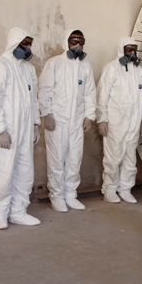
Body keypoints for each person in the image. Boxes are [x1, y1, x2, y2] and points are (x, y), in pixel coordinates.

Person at [0, 27, 42, 229]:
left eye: (29, 44)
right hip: (8, 130)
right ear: (13, 43)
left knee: (25, 170)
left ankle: (18, 211)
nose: (27, 47)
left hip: (25, 130)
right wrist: (0, 130)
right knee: (3, 171)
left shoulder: (28, 69)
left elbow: (33, 100)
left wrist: (35, 124)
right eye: (23, 43)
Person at [39, 29, 97, 212]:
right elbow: (45, 90)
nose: (77, 44)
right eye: (74, 40)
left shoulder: (85, 66)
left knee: (74, 159)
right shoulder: (54, 63)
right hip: (58, 121)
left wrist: (89, 116)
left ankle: (71, 194)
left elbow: (90, 93)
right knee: (57, 160)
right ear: (67, 42)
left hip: (77, 122)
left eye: (81, 40)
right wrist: (46, 114)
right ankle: (56, 195)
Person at [97, 37, 142, 204]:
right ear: (122, 49)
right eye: (129, 49)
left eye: (134, 48)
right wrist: (102, 119)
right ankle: (110, 189)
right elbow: (102, 95)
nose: (132, 52)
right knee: (113, 157)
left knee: (129, 156)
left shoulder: (139, 72)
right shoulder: (111, 69)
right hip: (115, 122)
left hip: (134, 122)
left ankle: (125, 188)